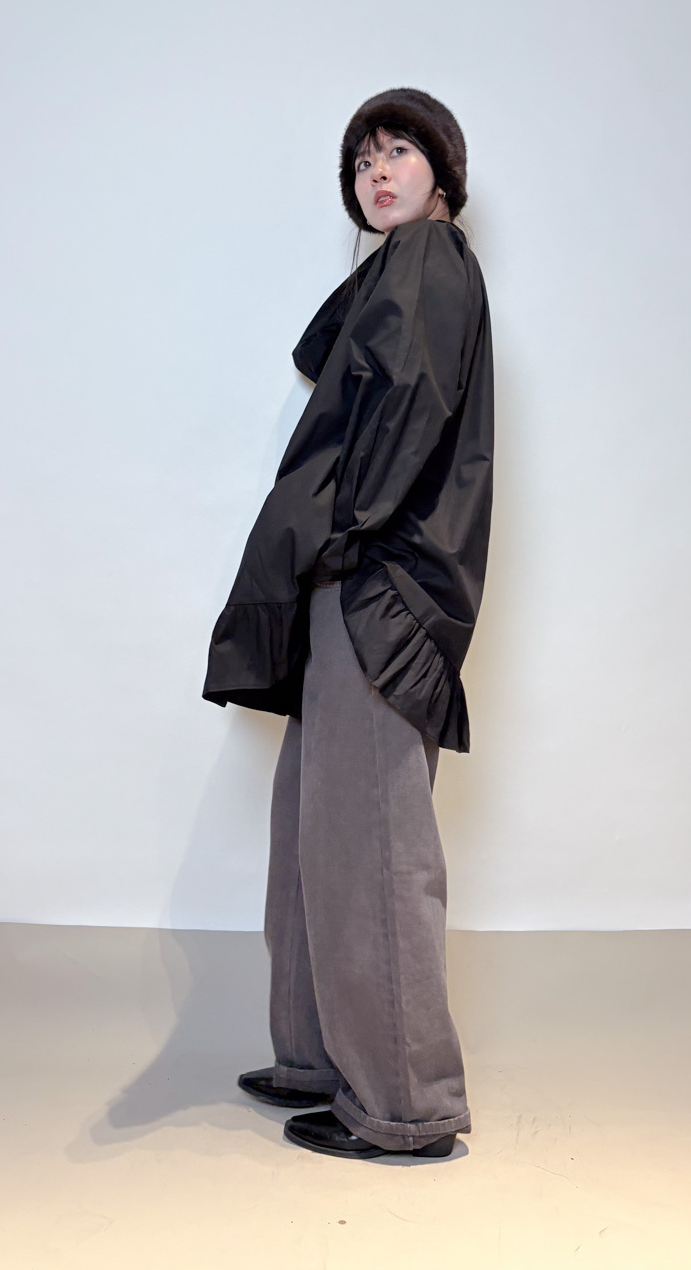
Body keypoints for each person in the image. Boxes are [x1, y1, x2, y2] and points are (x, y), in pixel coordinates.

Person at [203, 87, 495, 1159]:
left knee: (370, 839)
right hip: (354, 581)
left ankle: (405, 1106)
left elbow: (407, 409)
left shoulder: (429, 259)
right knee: (313, 828)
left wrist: (345, 533)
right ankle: (319, 1058)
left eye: (400, 150)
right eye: (364, 159)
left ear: (443, 176)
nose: (378, 171)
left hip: (378, 588)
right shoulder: (394, 271)